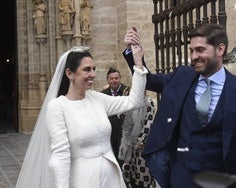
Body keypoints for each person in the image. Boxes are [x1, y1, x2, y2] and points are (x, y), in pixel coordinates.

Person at [123, 25, 236, 188]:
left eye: (200, 50)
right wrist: (135, 56)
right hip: (182, 178)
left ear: (220, 49)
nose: (194, 56)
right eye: (192, 50)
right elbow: (149, 80)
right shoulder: (181, 77)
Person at [15, 45, 147, 188]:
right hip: (84, 182)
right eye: (87, 69)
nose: (93, 74)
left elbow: (134, 101)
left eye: (94, 69)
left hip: (113, 180)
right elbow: (60, 156)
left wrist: (138, 63)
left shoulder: (97, 99)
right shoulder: (58, 107)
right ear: (70, 73)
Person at [118, 94, 156, 188]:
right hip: (129, 144)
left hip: (142, 146)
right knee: (129, 175)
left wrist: (140, 141)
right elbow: (121, 117)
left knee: (142, 178)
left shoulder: (149, 101)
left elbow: (149, 123)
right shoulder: (129, 101)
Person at [101, 67, 130, 167]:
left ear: (120, 79)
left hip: (124, 132)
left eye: (116, 78)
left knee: (125, 160)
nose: (114, 81)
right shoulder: (102, 95)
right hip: (109, 133)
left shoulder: (128, 92)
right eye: (111, 78)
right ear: (107, 80)